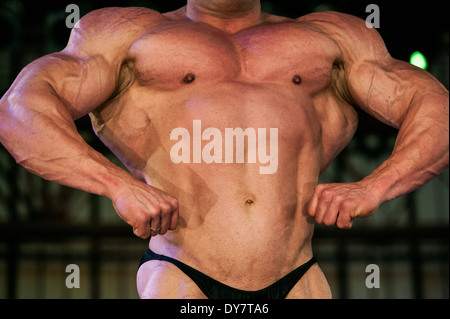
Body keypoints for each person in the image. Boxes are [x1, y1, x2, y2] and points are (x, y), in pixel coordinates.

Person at [0, 0, 448, 299]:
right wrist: (116, 185)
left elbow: (435, 109)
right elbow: (19, 110)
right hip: (183, 275)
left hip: (298, 278)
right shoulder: (126, 35)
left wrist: (374, 188)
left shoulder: (331, 39)